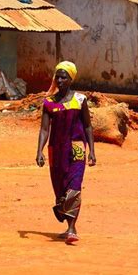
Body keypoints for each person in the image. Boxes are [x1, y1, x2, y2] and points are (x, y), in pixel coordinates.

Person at [36, 61, 96, 245]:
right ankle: (67, 222)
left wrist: (92, 150)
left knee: (74, 185)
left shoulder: (80, 100)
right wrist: (39, 151)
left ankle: (72, 228)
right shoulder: (49, 103)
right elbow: (45, 130)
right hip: (56, 149)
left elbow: (87, 125)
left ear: (71, 79)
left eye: (64, 77)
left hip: (77, 148)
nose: (60, 80)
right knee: (60, 186)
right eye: (58, 77)